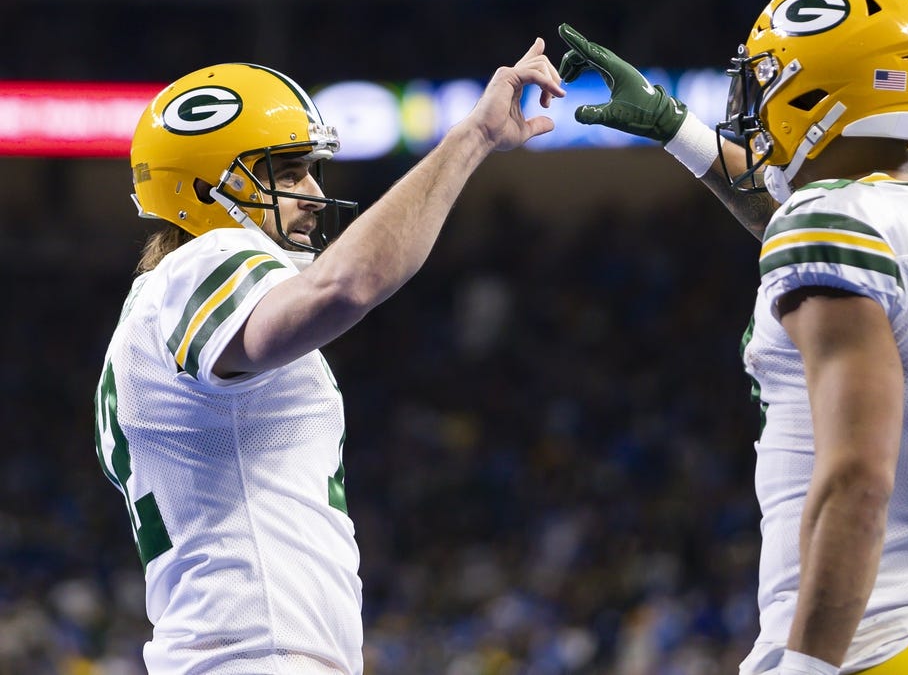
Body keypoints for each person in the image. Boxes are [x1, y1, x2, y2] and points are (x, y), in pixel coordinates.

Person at [557, 0, 908, 675]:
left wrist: (808, 666)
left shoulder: (836, 228)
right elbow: (823, 237)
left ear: (822, 89)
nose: (753, 101)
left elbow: (856, 482)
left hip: (868, 646)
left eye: (768, 80)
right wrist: (674, 126)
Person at [93, 43, 564, 674]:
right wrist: (473, 137)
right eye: (288, 174)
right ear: (208, 186)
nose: (315, 194)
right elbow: (345, 286)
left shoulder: (160, 304)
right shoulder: (200, 263)